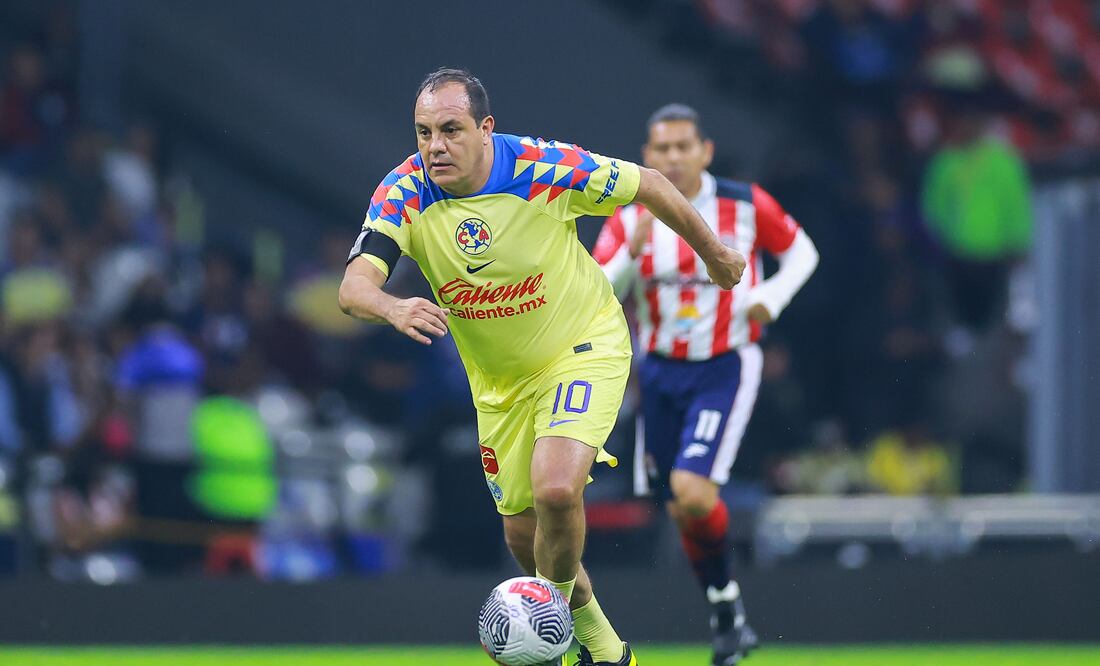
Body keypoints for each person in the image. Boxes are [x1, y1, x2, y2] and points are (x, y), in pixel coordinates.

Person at [339, 69, 745, 666]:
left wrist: (714, 253)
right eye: (424, 132)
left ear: (485, 129)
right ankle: (606, 651)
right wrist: (391, 305)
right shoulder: (404, 190)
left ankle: (541, 636)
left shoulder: (541, 167)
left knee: (558, 489)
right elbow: (353, 288)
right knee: (524, 537)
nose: (435, 146)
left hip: (583, 346)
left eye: (451, 130)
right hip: (499, 388)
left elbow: (650, 183)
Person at [594, 104, 819, 666]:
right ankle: (727, 614)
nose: (672, 157)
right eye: (661, 149)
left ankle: (727, 614)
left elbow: (802, 251)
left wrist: (771, 298)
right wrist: (634, 247)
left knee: (694, 493)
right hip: (659, 371)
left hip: (724, 363)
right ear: (647, 156)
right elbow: (599, 287)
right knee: (680, 508)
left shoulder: (742, 204)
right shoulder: (628, 212)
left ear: (705, 151)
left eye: (682, 147)